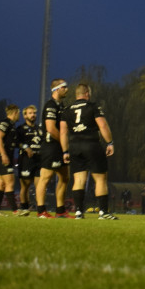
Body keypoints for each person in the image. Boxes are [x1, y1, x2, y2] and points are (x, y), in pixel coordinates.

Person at [60, 83, 117, 220]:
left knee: (79, 179)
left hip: (74, 147)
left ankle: (79, 212)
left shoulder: (66, 110)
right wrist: (110, 142)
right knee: (100, 178)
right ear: (87, 93)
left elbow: (63, 132)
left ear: (76, 94)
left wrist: (65, 152)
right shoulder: (93, 106)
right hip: (91, 144)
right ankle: (103, 212)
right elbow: (102, 125)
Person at [36, 79, 72, 219]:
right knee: (45, 178)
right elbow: (51, 129)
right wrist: (64, 143)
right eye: (65, 87)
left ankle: (60, 211)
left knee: (64, 177)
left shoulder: (61, 106)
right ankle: (41, 211)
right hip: (50, 147)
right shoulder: (50, 105)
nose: (67, 89)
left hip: (60, 148)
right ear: (56, 89)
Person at [0, 104, 21, 216]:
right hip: (3, 158)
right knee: (10, 182)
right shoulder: (6, 123)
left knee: (2, 184)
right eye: (18, 113)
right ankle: (15, 210)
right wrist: (3, 154)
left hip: (3, 158)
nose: (19, 115)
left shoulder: (12, 125)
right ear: (15, 112)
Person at [15, 104, 42, 217]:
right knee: (25, 186)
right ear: (25, 115)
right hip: (26, 160)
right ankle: (24, 208)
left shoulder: (39, 129)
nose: (33, 115)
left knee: (40, 185)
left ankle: (41, 209)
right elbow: (16, 142)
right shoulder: (21, 129)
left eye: (34, 113)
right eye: (30, 113)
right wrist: (26, 147)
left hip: (39, 160)